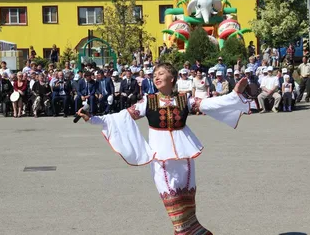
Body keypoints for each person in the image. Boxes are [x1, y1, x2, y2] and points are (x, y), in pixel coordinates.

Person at [76, 62, 250, 234]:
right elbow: (121, 118)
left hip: (185, 156)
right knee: (174, 207)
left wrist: (234, 95)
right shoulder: (148, 101)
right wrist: (93, 118)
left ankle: (190, 231)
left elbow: (209, 104)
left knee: (187, 206)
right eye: (155, 74)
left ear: (172, 78)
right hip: (160, 156)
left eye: (161, 73)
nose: (156, 76)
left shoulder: (184, 99)